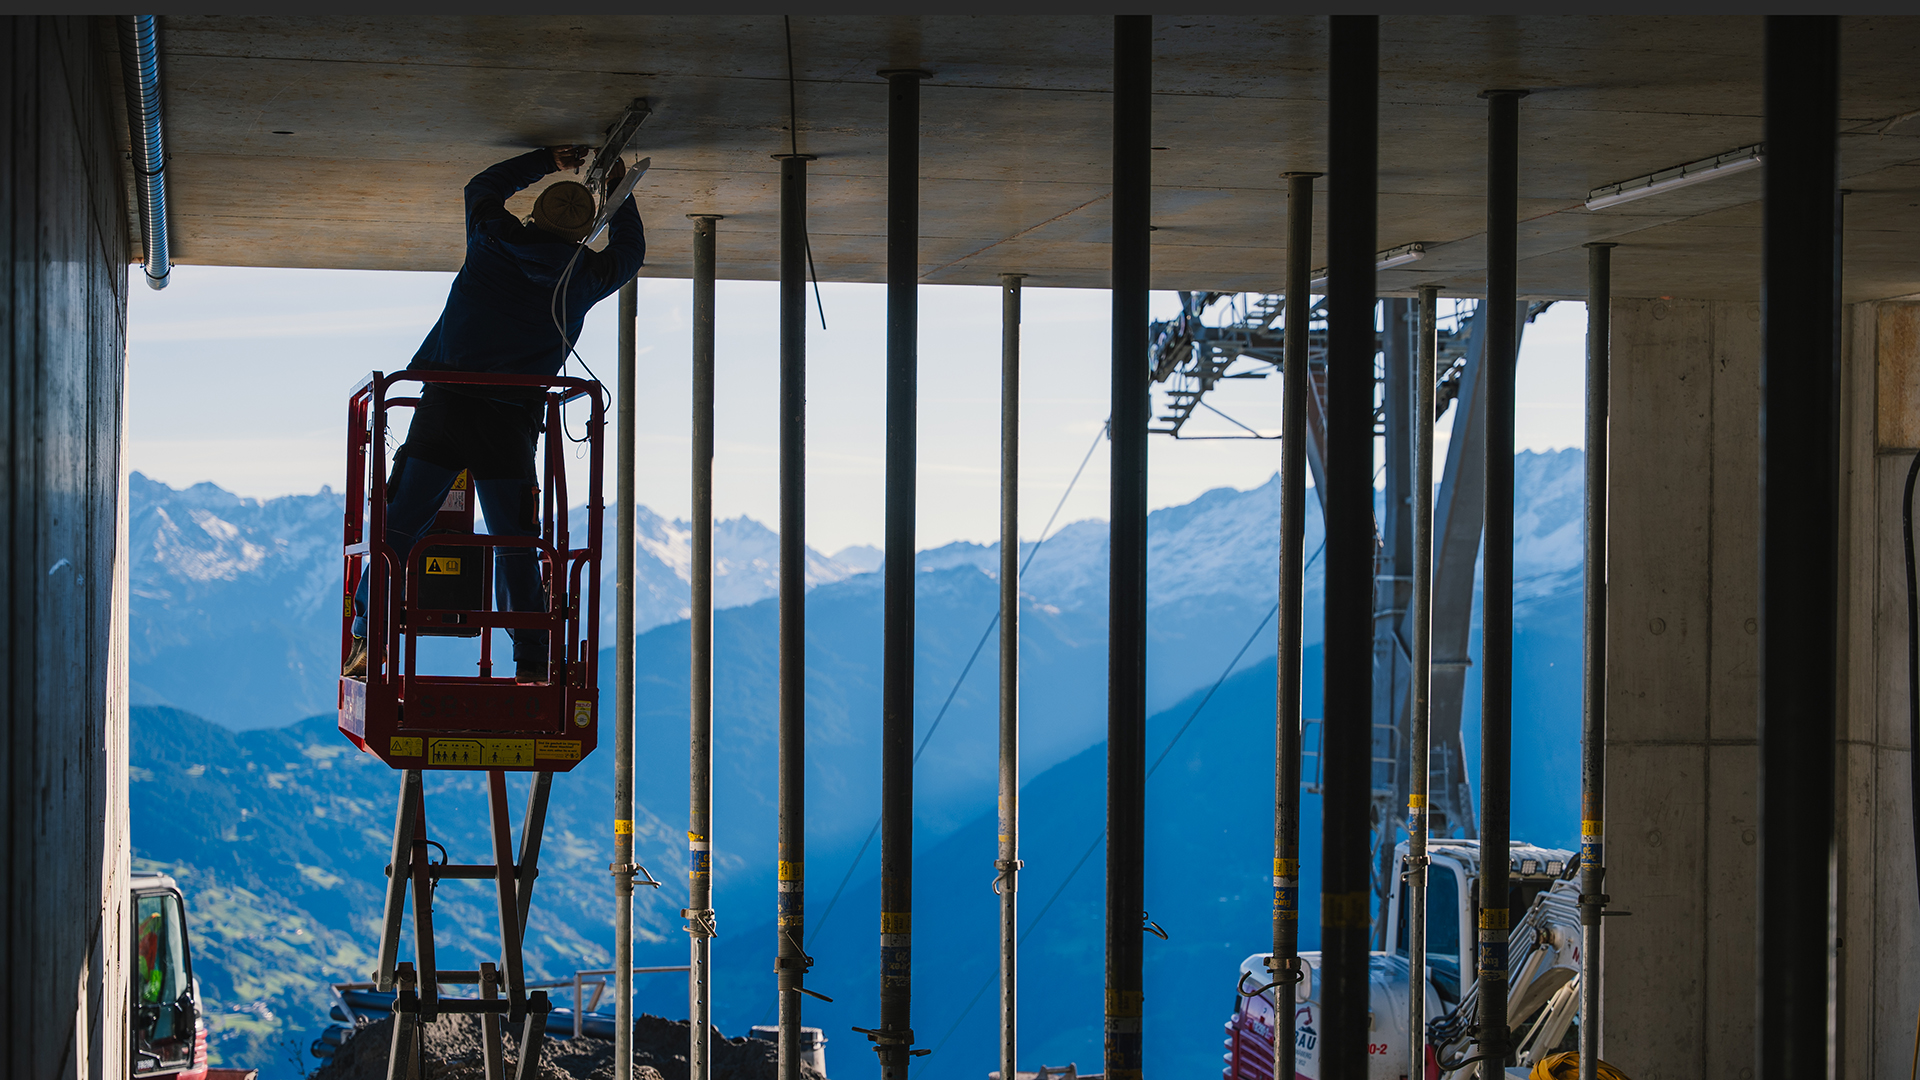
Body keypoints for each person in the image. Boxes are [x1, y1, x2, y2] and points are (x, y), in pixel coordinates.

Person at [345, 144, 645, 684]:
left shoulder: (490, 239)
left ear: (534, 214)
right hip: (510, 423)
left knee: (402, 529)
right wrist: (620, 193)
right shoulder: (583, 276)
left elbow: (480, 189)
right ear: (579, 235)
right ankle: (531, 658)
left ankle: (370, 638)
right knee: (517, 543)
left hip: (445, 405)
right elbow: (630, 252)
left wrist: (548, 159)